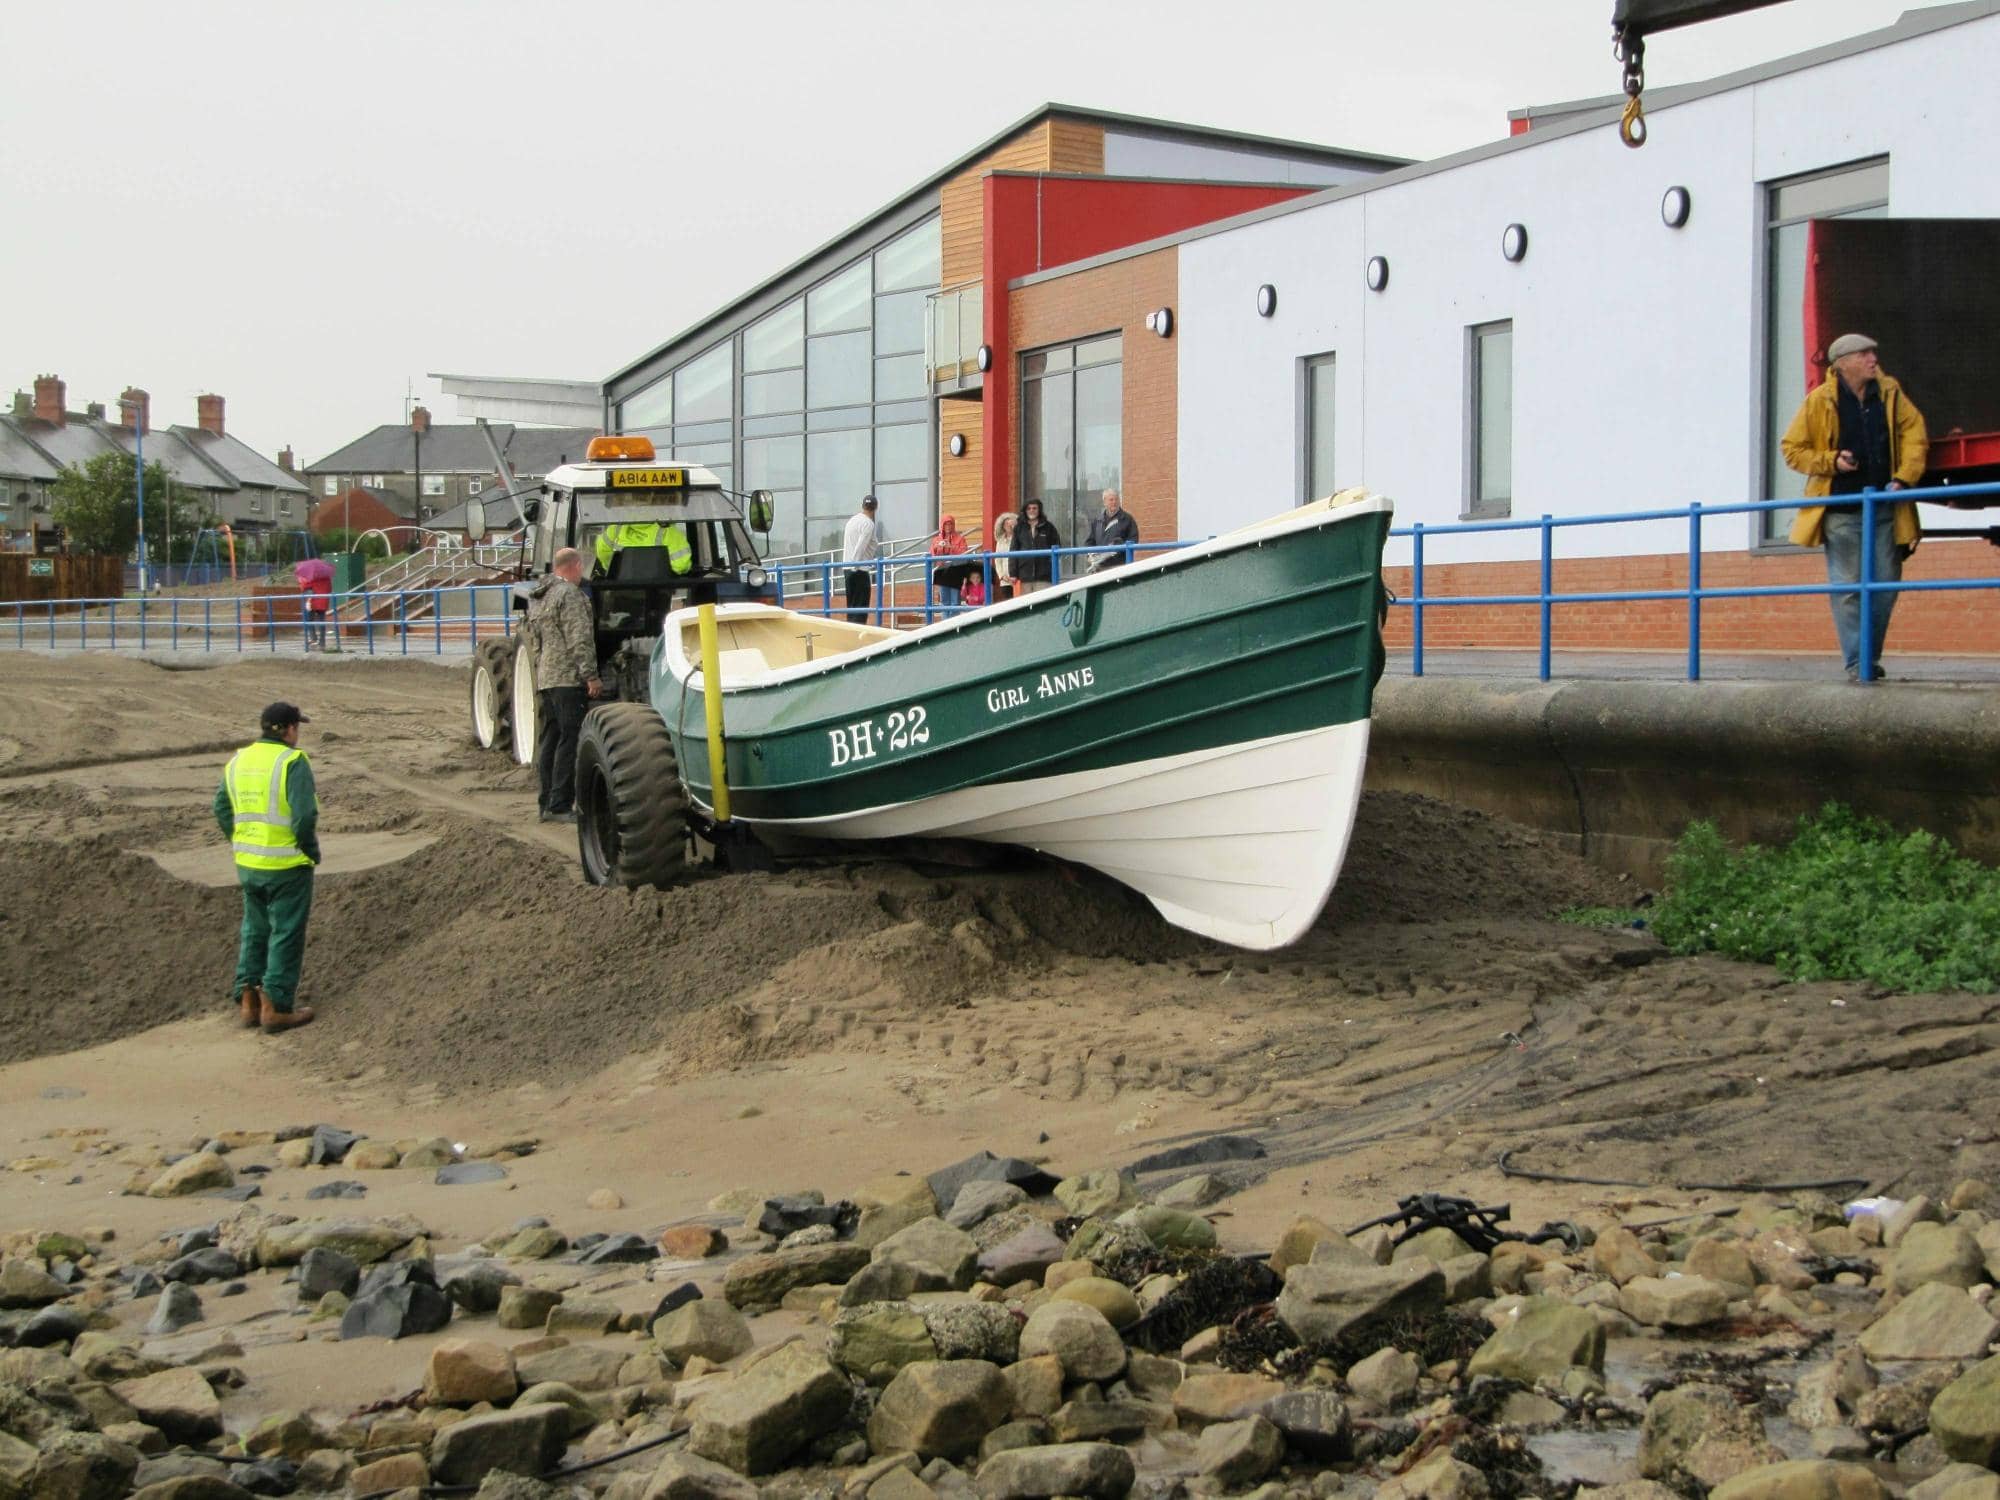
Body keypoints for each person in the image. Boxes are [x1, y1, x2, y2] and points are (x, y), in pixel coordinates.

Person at [1781, 332, 1928, 681]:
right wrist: (1832, 461)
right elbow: (1792, 449)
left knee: (1885, 585)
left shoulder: (1890, 392)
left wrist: (1904, 478)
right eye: (1864, 355)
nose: (1873, 360)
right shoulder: (1820, 400)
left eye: (1873, 354)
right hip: (1841, 511)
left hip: (1884, 507)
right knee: (1847, 589)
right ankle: (1857, 663)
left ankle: (1867, 658)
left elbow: (1914, 435)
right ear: (1843, 363)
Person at [214, 702, 319, 1033]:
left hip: (248, 863)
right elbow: (304, 816)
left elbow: (221, 806)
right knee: (286, 932)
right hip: (286, 865)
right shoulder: (292, 761)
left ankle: (248, 1001)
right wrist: (308, 848)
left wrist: (241, 839)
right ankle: (275, 1006)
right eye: (296, 728)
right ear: (289, 729)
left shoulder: (238, 760)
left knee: (254, 929)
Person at [526, 547, 602, 822]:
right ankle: (559, 805)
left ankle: (546, 802)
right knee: (571, 739)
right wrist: (590, 676)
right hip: (568, 679)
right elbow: (579, 639)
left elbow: (536, 640)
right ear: (576, 566)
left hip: (547, 677)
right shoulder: (570, 595)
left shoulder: (539, 595)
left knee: (551, 738)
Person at [593, 520, 691, 576]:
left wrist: (614, 570)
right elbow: (682, 565)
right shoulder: (669, 533)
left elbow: (603, 554)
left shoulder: (615, 530)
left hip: (619, 593)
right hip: (658, 594)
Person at [842, 494, 882, 624]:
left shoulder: (852, 520)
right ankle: (858, 636)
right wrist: (856, 565)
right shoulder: (868, 524)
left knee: (852, 606)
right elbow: (861, 546)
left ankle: (850, 636)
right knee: (860, 607)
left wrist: (851, 566)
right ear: (875, 508)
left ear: (863, 506)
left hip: (847, 567)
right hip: (859, 568)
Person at [1010, 498, 1061, 595]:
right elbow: (1013, 550)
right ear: (1025, 511)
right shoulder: (1019, 528)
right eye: (1029, 508)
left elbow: (1057, 547)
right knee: (1025, 606)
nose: (1031, 511)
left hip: (1044, 576)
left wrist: (1049, 566)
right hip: (1025, 575)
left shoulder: (1048, 527)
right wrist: (1013, 573)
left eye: (1034, 508)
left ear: (1039, 510)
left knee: (1044, 604)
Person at [1083, 487, 1138, 572]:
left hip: (1119, 567)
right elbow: (1089, 541)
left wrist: (1118, 546)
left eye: (1116, 499)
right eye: (1111, 500)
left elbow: (1134, 541)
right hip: (1100, 568)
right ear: (1104, 502)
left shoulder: (1127, 519)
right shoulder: (1097, 521)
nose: (1114, 502)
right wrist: (1090, 555)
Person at [929, 515, 973, 607]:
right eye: (946, 525)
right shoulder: (936, 540)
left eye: (950, 524)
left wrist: (951, 547)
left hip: (955, 571)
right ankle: (946, 620)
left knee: (955, 600)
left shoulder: (960, 539)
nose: (948, 527)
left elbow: (964, 553)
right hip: (942, 571)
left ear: (953, 525)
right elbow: (932, 554)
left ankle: (955, 621)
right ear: (942, 526)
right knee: (945, 601)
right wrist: (938, 548)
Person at [301, 568, 332, 651]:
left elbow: (306, 587)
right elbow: (329, 589)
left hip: (313, 601)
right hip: (323, 601)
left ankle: (313, 638)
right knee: (321, 621)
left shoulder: (311, 576)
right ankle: (322, 642)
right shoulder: (327, 578)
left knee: (309, 620)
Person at [989, 511, 1017, 601]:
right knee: (1007, 603)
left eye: (1010, 523)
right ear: (1002, 526)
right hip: (1005, 580)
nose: (1008, 526)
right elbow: (998, 560)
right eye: (1006, 524)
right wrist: (1001, 576)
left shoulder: (1019, 539)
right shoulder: (1000, 541)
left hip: (1017, 579)